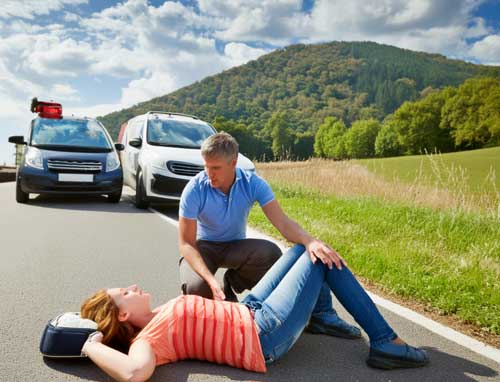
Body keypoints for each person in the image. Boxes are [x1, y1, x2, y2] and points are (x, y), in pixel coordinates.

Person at [80, 245, 429, 382]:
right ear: (122, 317)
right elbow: (134, 372)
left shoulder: (157, 315)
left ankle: (320, 317)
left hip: (250, 311)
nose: (132, 286)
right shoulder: (148, 340)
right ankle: (385, 342)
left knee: (302, 248)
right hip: (263, 334)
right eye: (124, 293)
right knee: (321, 261)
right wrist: (91, 344)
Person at [178, 132, 360, 339]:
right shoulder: (194, 189)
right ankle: (220, 293)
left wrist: (310, 241)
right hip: (204, 248)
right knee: (196, 287)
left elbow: (282, 222)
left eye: (216, 168)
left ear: (233, 163)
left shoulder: (253, 183)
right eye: (206, 166)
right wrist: (210, 280)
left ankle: (321, 316)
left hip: (236, 246)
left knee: (271, 253)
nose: (209, 173)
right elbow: (186, 244)